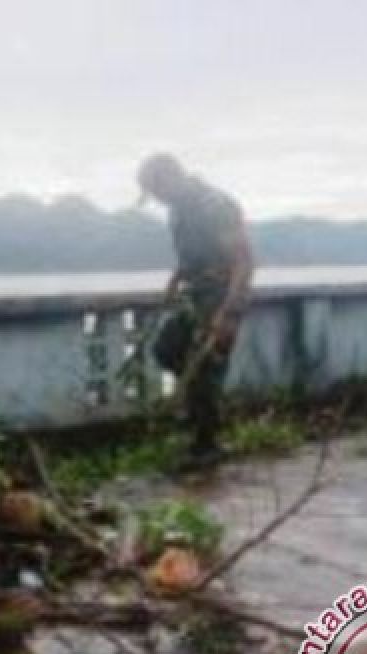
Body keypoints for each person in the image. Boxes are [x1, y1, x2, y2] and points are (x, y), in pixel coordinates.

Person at [139, 153, 255, 468]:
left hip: (222, 294)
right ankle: (201, 415)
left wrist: (228, 313)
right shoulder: (177, 209)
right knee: (167, 349)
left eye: (157, 190)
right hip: (195, 293)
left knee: (206, 367)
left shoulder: (215, 205)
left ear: (171, 178)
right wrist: (175, 280)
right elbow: (190, 255)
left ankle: (206, 446)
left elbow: (244, 262)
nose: (158, 199)